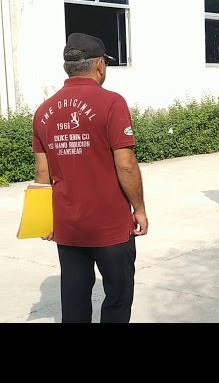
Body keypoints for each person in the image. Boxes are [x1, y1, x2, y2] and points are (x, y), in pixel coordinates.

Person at [32, 32, 148, 323]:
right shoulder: (111, 103)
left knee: (73, 299)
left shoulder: (43, 112)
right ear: (99, 66)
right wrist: (140, 208)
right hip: (109, 225)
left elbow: (42, 175)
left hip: (69, 225)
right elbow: (126, 164)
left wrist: (44, 219)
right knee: (118, 296)